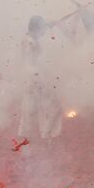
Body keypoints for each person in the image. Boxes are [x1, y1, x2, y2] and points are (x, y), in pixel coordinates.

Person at [17, 15, 63, 143]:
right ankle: (48, 135)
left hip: (30, 79)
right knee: (50, 106)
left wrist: (48, 25)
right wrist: (41, 78)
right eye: (41, 28)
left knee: (29, 107)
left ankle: (26, 135)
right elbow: (30, 62)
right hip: (34, 78)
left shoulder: (30, 39)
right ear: (36, 28)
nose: (43, 32)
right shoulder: (29, 42)